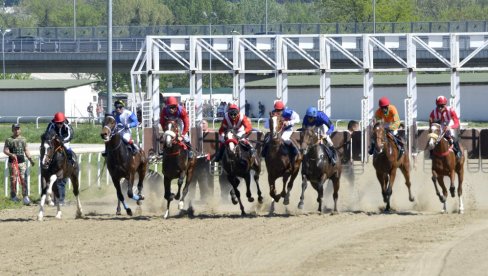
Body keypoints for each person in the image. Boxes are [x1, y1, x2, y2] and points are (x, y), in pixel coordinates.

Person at [3, 124, 35, 204]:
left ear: (20, 130)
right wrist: (11, 154)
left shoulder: (23, 139)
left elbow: (26, 150)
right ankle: (13, 196)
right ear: (12, 130)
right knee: (13, 180)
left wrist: (30, 159)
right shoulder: (9, 140)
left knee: (24, 180)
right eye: (15, 129)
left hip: (22, 163)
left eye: (18, 129)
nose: (17, 130)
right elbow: (5, 150)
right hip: (13, 163)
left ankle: (25, 197)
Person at [188, 120, 214, 202]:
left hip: (206, 161)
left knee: (207, 180)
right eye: (200, 124)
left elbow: (214, 147)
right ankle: (191, 199)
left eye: (204, 123)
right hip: (195, 161)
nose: (202, 125)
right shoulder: (193, 135)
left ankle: (206, 198)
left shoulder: (211, 134)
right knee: (193, 180)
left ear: (207, 125)